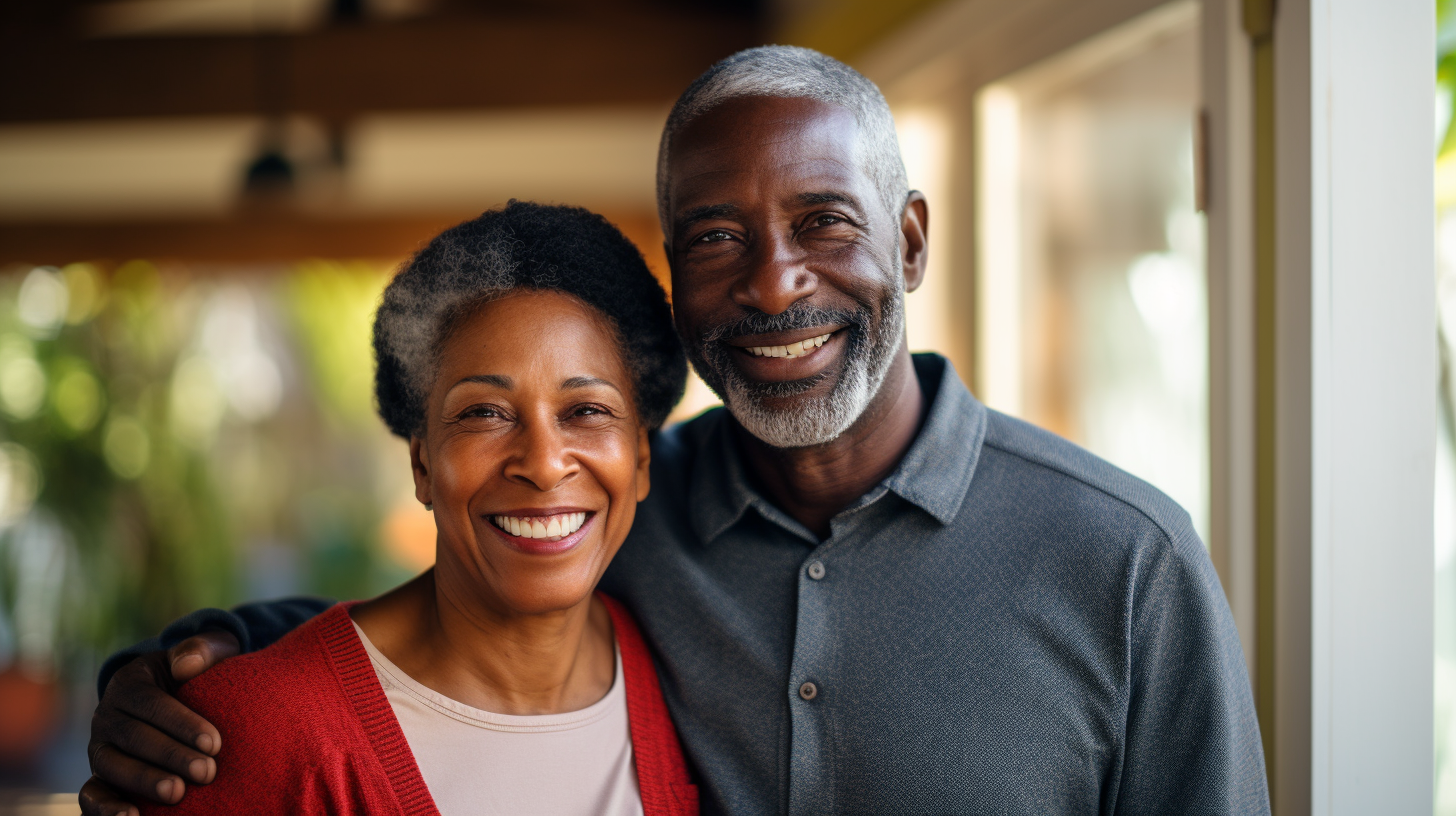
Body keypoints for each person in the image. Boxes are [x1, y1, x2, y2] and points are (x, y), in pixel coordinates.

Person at [83, 46, 1270, 816]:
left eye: (823, 222)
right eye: (714, 239)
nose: (772, 284)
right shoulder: (621, 516)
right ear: (673, 272)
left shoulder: (1126, 564)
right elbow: (441, 629)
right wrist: (203, 654)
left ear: (908, 240)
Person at [127, 202, 698, 815]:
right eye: (484, 413)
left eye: (586, 411)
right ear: (422, 464)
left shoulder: (683, 679)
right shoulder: (257, 733)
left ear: (640, 459)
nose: (542, 462)